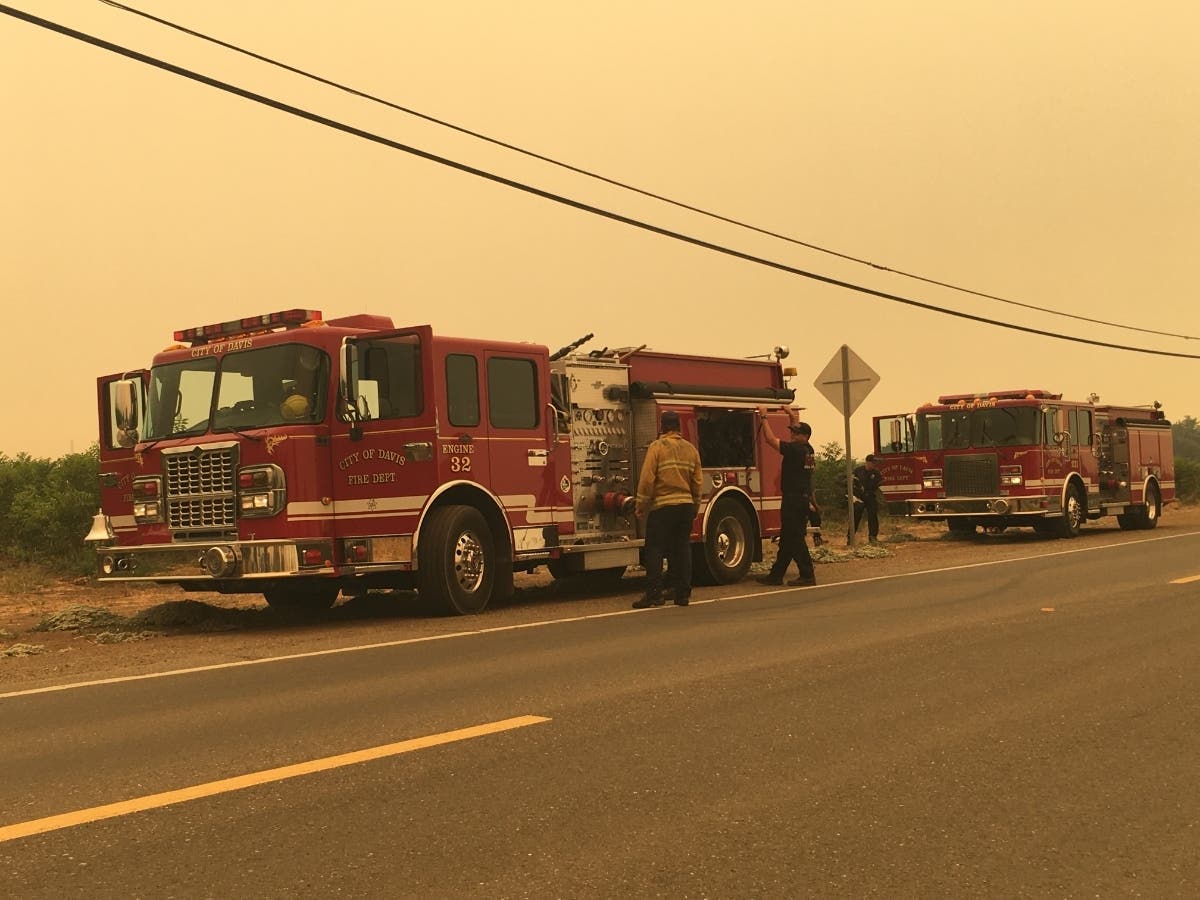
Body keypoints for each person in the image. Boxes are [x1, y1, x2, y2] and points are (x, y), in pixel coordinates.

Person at [632, 409, 703, 608]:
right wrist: (695, 506)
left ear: (662, 427)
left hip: (663, 506)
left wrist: (640, 504)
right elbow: (698, 482)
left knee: (654, 548)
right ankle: (682, 594)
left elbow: (647, 479)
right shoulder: (691, 449)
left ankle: (654, 595)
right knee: (682, 548)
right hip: (686, 506)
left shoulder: (657, 447)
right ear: (679, 427)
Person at [755, 407, 817, 587]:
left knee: (795, 537)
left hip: (793, 500)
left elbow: (769, 439)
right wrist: (791, 417)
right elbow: (794, 438)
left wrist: (764, 417)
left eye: (796, 433)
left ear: (804, 435)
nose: (792, 435)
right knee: (788, 538)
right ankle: (776, 574)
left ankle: (807, 574)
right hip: (801, 499)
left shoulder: (795, 450)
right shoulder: (808, 450)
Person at [852, 453, 884, 543]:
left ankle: (873, 537)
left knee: (873, 516)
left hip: (870, 496)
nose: (874, 464)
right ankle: (850, 537)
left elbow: (880, 482)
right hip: (859, 497)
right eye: (873, 462)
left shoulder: (876, 473)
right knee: (855, 517)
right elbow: (852, 481)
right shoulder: (858, 471)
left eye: (875, 463)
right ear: (867, 462)